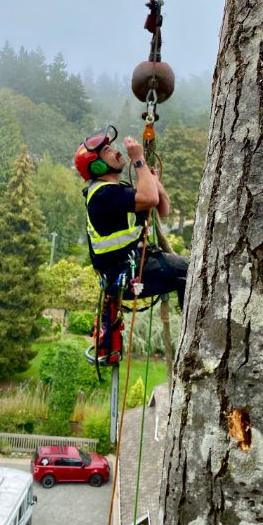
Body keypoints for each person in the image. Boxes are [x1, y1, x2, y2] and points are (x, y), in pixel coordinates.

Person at [74, 125, 187, 364]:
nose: (116, 151)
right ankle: (194, 330)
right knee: (193, 273)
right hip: (126, 273)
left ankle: (191, 321)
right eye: (107, 150)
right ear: (97, 165)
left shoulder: (117, 191)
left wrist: (152, 179)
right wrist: (138, 161)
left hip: (134, 267)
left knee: (188, 274)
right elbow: (149, 199)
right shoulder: (103, 195)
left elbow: (161, 208)